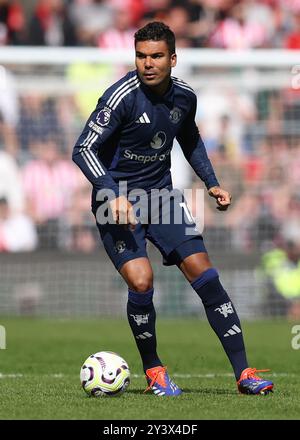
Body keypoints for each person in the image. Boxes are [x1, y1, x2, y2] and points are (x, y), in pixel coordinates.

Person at [72, 21, 274, 396]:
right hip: (114, 200)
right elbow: (82, 149)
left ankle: (245, 373)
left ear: (173, 58)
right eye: (141, 56)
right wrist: (112, 193)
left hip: (161, 198)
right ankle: (154, 371)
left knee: (205, 274)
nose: (147, 63)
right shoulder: (120, 97)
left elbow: (191, 140)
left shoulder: (185, 97)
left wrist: (211, 182)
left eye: (156, 56)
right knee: (142, 281)